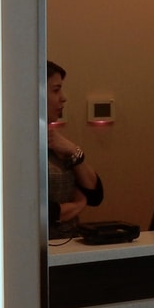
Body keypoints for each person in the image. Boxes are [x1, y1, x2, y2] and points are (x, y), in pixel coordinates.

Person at [47, 60, 104, 238]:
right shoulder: (15, 146)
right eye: (56, 90)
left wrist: (73, 151)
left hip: (69, 243)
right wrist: (77, 205)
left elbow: (95, 194)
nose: (63, 97)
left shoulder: (56, 142)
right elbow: (38, 212)